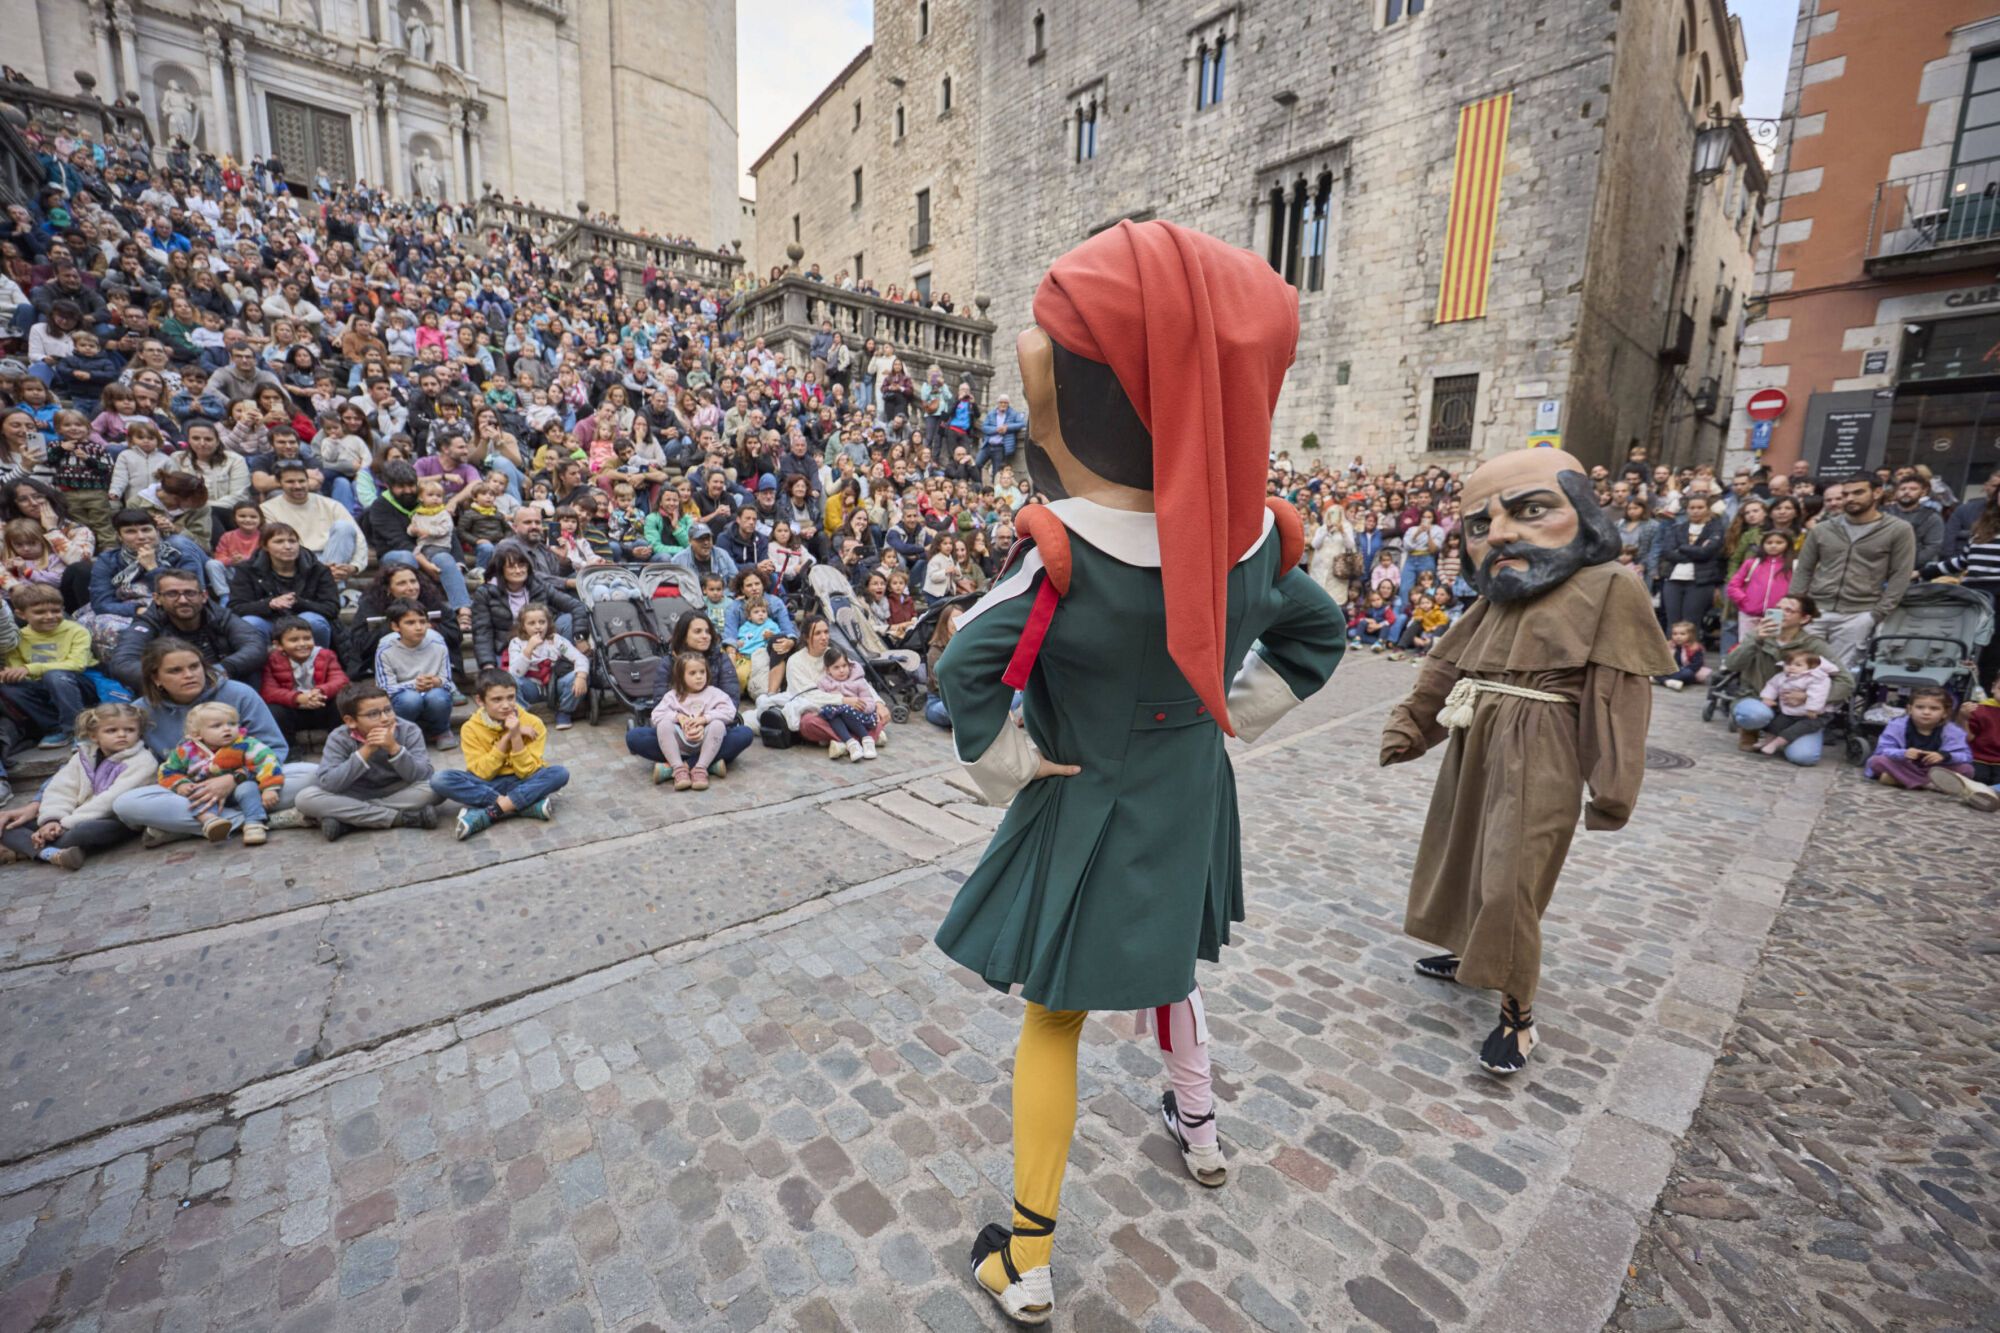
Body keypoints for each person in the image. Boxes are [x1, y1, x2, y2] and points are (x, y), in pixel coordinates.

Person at [933, 222, 1345, 1323]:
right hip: (1188, 792)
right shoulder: (1254, 541)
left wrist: (1008, 763)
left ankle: (1026, 1258)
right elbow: (1317, 634)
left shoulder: (1063, 553)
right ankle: (1199, 1132)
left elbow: (964, 663)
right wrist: (1231, 713)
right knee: (1171, 967)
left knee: (1054, 1020)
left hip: (1088, 802)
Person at [1382, 448, 1672, 1077]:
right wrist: (1411, 726)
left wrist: (1613, 786)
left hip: (1542, 746)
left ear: (1583, 512)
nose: (1499, 534)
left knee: (1512, 876)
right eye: (1480, 524)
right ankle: (1468, 954)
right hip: (1476, 737)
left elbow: (1619, 694)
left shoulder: (1610, 586)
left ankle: (1518, 1013)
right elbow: (1448, 663)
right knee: (1463, 852)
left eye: (1530, 511)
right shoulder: (1502, 590)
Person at [0, 702, 153, 870]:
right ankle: (52, 853)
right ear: (94, 736)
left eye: (130, 730)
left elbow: (108, 801)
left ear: (139, 733)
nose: (122, 735)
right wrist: (51, 820)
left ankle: (31, 850)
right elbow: (61, 789)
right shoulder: (82, 757)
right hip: (70, 816)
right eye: (112, 730)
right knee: (8, 825)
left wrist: (63, 825)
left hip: (113, 819)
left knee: (85, 831)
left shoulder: (143, 761)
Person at [1789, 476, 1917, 670]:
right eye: (1845, 494)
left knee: (1838, 672)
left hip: (1859, 613)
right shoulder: (1823, 529)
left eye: (1858, 492)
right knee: (1798, 670)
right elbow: (1803, 570)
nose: (1850, 498)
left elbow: (1900, 575)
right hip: (1816, 610)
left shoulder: (1898, 529)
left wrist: (1877, 614)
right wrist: (1796, 606)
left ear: (1877, 493)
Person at [293, 680, 447, 840]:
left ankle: (350, 820)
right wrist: (366, 751)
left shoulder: (408, 730)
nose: (385, 718)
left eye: (388, 710)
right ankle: (401, 818)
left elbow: (423, 775)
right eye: (373, 714)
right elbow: (329, 783)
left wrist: (394, 749)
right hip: (355, 793)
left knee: (437, 788)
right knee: (305, 798)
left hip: (398, 790)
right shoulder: (339, 737)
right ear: (350, 721)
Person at [434, 668, 569, 839]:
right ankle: (520, 805)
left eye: (510, 697)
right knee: (440, 779)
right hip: (489, 784)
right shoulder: (470, 728)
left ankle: (490, 813)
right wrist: (508, 737)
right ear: (480, 701)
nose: (506, 705)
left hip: (522, 780)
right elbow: (482, 773)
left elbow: (527, 771)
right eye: (497, 699)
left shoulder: (533, 723)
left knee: (559, 773)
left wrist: (516, 737)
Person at [1726, 594, 1853, 764]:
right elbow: (1732, 665)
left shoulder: (1813, 644)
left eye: (1788, 610)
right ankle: (1751, 730)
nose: (1781, 613)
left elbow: (1846, 682)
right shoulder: (1758, 636)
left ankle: (1781, 737)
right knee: (1755, 714)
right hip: (1759, 699)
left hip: (1798, 713)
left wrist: (1808, 696)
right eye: (1777, 609)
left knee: (1804, 757)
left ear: (1804, 618)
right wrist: (1755, 639)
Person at [623, 611, 753, 773]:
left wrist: (703, 723)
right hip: (677, 733)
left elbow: (731, 703)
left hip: (713, 730)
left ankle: (681, 767)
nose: (705, 636)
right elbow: (660, 705)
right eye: (698, 631)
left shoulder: (720, 658)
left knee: (744, 734)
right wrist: (685, 725)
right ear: (684, 635)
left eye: (707, 631)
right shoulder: (669, 662)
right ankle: (709, 763)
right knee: (635, 737)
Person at [105, 566, 264, 689]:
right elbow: (122, 663)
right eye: (172, 594)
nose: (183, 600)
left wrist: (222, 668)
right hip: (170, 694)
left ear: (203, 596)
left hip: (221, 683)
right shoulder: (147, 623)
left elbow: (254, 645)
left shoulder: (220, 616)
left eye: (190, 593)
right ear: (157, 598)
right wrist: (168, 679)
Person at [156, 699, 285, 845]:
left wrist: (270, 789)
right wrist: (180, 784)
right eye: (217, 726)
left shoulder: (246, 744)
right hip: (207, 795)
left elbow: (267, 761)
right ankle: (211, 822)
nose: (227, 729)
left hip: (238, 790)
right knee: (195, 792)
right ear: (197, 734)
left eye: (232, 724)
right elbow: (167, 770)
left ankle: (254, 824)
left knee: (248, 787)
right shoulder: (185, 751)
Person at [1863, 685, 1994, 811]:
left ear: (1945, 713)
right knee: (1877, 761)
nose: (1926, 712)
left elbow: (1965, 756)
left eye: (1934, 709)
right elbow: (1883, 749)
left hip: (1936, 769)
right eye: (1920, 707)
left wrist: (1944, 755)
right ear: (1910, 709)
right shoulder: (1897, 726)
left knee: (1967, 769)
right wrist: (1903, 753)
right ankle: (1929, 784)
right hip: (1906, 765)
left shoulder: (1952, 731)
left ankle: (1901, 780)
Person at [0, 582, 94, 746]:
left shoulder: (77, 631)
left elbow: (77, 664)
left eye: (56, 611)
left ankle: (78, 729)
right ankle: (55, 728)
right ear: (21, 614)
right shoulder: (20, 637)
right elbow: (16, 668)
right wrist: (9, 675)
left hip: (77, 684)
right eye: (39, 612)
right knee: (8, 687)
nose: (50, 616)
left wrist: (30, 668)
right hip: (42, 687)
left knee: (55, 676)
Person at [229, 522, 340, 646]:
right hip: (268, 621)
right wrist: (270, 604)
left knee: (314, 621)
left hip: (303, 621)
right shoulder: (247, 569)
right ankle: (261, 658)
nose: (288, 546)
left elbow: (331, 608)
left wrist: (298, 602)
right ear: (265, 546)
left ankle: (318, 657)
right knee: (251, 622)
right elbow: (236, 607)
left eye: (292, 541)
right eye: (279, 541)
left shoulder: (318, 569)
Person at [374, 599, 457, 749]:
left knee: (438, 697)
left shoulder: (438, 644)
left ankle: (441, 731)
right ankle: (403, 735)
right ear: (395, 626)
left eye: (422, 622)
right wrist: (414, 685)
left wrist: (436, 681)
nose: (419, 627)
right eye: (410, 623)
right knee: (410, 699)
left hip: (433, 692)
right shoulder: (386, 650)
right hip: (403, 698)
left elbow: (447, 680)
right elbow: (384, 688)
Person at [649, 650, 737, 789]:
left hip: (707, 742)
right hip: (680, 744)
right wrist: (678, 717)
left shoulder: (714, 693)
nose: (699, 677)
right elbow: (656, 715)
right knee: (662, 726)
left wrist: (705, 719)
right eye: (692, 673)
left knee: (720, 726)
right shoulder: (672, 696)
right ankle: (679, 769)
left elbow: (730, 712)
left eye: (702, 672)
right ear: (681, 676)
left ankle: (701, 768)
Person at [260, 614, 349, 741]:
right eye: (294, 640)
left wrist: (320, 691)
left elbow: (340, 680)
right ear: (279, 645)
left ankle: (339, 742)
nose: (302, 644)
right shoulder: (272, 660)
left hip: (321, 704)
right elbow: (268, 691)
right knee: (274, 710)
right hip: (293, 710)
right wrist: (298, 698)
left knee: (340, 701)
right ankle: (289, 747)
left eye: (307, 638)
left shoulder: (326, 655)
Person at [504, 602, 588, 730]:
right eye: (532, 623)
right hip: (532, 688)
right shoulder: (516, 643)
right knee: (511, 680)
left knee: (579, 674)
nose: (538, 627)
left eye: (542, 622)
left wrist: (581, 676)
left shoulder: (555, 640)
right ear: (523, 626)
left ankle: (564, 711)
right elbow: (516, 673)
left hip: (554, 686)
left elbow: (579, 657)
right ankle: (523, 716)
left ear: (548, 623)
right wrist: (529, 649)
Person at [1658, 492, 1725, 640]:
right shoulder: (1677, 528)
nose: (1695, 511)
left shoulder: (1716, 529)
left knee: (1691, 624)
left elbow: (1706, 553)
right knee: (1672, 624)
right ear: (1686, 509)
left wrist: (1682, 547)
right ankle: (1672, 653)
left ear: (1708, 509)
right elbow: (1667, 552)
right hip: (1673, 580)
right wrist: (1696, 550)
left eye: (1700, 507)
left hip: (1700, 582)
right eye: (1692, 508)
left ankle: (1691, 654)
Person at [1752, 646, 1835, 758]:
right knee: (1775, 725)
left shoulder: (1817, 678)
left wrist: (1812, 708)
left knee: (1796, 729)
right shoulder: (1782, 676)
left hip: (1813, 715)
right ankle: (1767, 741)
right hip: (1790, 712)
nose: (1791, 667)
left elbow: (1818, 694)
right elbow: (1772, 685)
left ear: (1811, 667)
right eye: (1788, 664)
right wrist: (1768, 697)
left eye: (1798, 665)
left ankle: (1775, 744)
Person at [813, 647, 884, 761]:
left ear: (849, 665)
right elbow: (821, 700)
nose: (841, 670)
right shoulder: (824, 683)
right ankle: (851, 744)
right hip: (838, 719)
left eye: (844, 666)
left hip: (859, 716)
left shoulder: (858, 681)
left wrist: (863, 707)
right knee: (830, 712)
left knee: (844, 709)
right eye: (836, 667)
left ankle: (867, 739)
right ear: (828, 670)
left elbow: (868, 699)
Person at [1725, 530, 1793, 649]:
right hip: (1749, 613)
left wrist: (1788, 607)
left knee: (1774, 648)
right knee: (1747, 646)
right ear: (1762, 545)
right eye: (1769, 542)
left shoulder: (1793, 565)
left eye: (1779, 542)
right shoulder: (1751, 563)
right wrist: (1744, 600)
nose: (1773, 545)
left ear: (1787, 544)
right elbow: (1733, 586)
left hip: (1778, 615)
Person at [1654, 620, 1706, 690]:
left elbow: (1696, 665)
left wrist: (1681, 669)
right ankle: (1667, 681)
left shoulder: (1695, 648)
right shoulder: (1671, 645)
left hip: (1686, 670)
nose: (1678, 636)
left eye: (1682, 634)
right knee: (1656, 668)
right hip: (1672, 669)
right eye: (1675, 634)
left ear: (1691, 635)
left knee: (1687, 673)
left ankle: (1662, 680)